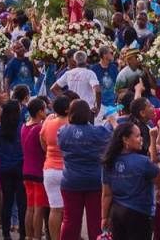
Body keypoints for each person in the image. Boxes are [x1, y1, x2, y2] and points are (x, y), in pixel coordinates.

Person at [57, 99, 111, 240]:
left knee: (70, 221)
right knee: (95, 222)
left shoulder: (62, 132)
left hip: (70, 181)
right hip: (94, 180)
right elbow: (110, 139)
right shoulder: (98, 132)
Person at [101, 122, 159, 240]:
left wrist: (104, 218)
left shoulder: (108, 162)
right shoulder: (143, 162)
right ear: (125, 140)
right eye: (137, 136)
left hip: (116, 213)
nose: (141, 139)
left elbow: (107, 194)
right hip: (140, 214)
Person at [0, 99, 27, 240]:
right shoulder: (22, 127)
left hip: (5, 168)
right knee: (22, 203)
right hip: (21, 168)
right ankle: (23, 233)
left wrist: (0, 156)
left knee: (7, 202)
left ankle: (6, 233)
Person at [40, 94, 70, 240]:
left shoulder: (48, 122)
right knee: (68, 211)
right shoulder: (71, 123)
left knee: (55, 208)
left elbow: (42, 141)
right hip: (67, 169)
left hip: (50, 168)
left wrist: (50, 153)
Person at [22, 98, 48, 240]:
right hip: (38, 171)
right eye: (44, 109)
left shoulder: (24, 126)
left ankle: (28, 236)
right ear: (39, 112)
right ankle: (37, 236)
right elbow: (45, 148)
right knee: (39, 207)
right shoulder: (39, 128)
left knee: (30, 207)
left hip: (26, 170)